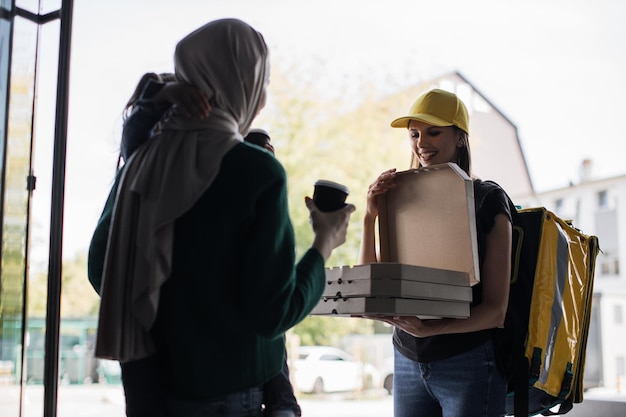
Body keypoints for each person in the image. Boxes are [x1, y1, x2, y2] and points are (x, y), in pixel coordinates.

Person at [91, 18, 355, 417]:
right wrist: (324, 242)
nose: (262, 98)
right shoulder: (256, 170)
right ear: (242, 84)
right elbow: (274, 313)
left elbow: (101, 269)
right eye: (261, 82)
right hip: (230, 397)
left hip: (154, 390)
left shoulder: (142, 162)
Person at [116, 72, 300, 417]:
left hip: (175, 376)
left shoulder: (150, 175)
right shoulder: (146, 171)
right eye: (181, 106)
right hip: (197, 377)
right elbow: (270, 308)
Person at [358, 88, 513, 417]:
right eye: (414, 133)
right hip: (406, 360)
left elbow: (496, 311)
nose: (421, 143)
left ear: (460, 138)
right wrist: (370, 215)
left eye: (434, 131)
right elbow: (372, 286)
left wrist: (432, 329)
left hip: (468, 361)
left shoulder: (488, 199)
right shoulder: (399, 196)